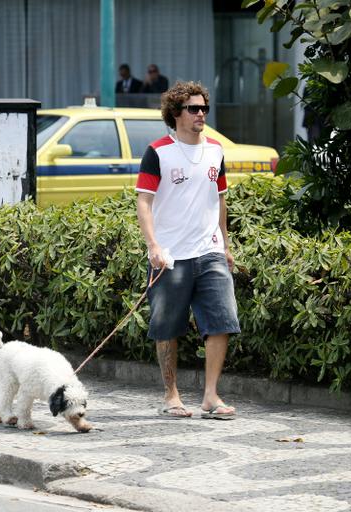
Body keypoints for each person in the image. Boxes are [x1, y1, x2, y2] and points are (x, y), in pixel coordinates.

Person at [136, 81, 239, 420]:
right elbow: (144, 201)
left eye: (204, 108)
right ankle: (171, 394)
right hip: (171, 256)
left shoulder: (216, 151)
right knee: (167, 327)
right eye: (193, 109)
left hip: (209, 251)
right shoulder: (158, 152)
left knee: (222, 321)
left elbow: (220, 200)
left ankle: (210, 396)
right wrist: (153, 245)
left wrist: (225, 244)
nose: (201, 114)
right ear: (175, 113)